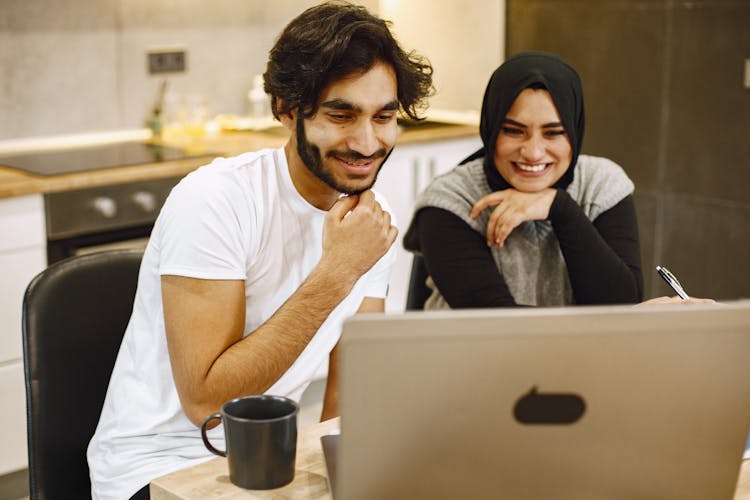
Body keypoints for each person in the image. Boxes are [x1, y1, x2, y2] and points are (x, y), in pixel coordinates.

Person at [87, 2, 433, 499]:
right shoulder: (217, 199)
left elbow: (346, 403)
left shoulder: (368, 226)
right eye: (341, 114)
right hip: (156, 470)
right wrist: (336, 273)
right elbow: (208, 401)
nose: (366, 141)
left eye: (384, 117)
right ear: (286, 109)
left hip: (269, 463)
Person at [403, 51, 643, 309]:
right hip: (471, 349)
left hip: (580, 351)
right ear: (491, 129)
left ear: (574, 132)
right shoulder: (450, 199)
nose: (533, 152)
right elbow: (499, 325)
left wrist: (560, 208)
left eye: (553, 133)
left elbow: (620, 306)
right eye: (514, 131)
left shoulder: (602, 184)